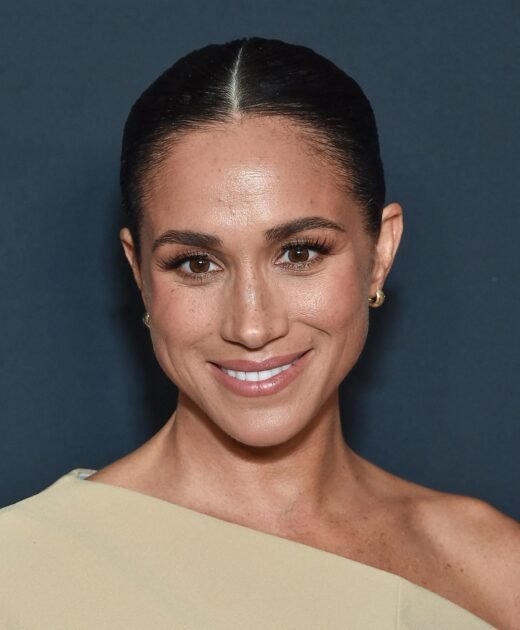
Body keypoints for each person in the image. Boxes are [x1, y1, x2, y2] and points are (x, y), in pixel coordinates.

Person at [0, 37, 518, 629]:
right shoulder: (19, 573)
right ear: (139, 274)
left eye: (299, 253)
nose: (251, 326)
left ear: (380, 253)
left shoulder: (494, 568)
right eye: (196, 263)